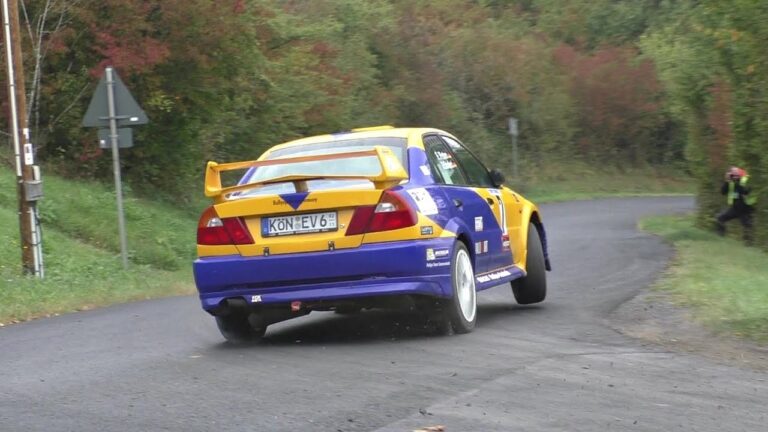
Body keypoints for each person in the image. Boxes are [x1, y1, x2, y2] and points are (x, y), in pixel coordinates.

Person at [716, 166, 757, 244]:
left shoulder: (745, 179)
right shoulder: (730, 181)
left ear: (739, 172)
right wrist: (727, 181)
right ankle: (720, 238)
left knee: (748, 227)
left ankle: (748, 244)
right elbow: (723, 192)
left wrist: (737, 182)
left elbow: (746, 191)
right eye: (733, 174)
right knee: (720, 218)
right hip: (734, 208)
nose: (735, 175)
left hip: (746, 209)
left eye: (736, 173)